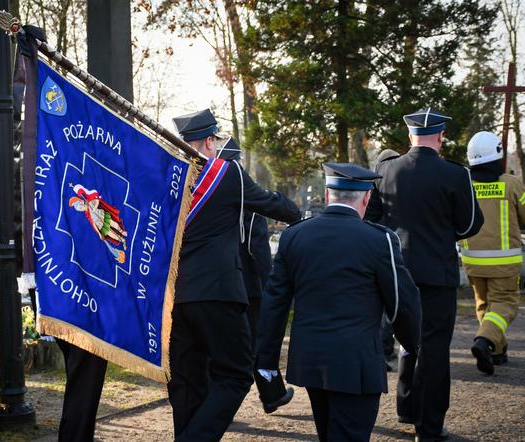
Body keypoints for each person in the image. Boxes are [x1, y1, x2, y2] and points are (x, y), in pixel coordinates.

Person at [256, 163, 421, 442]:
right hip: (356, 363)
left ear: (327, 194)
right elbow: (401, 303)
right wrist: (413, 345)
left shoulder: (294, 235)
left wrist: (266, 365)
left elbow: (274, 305)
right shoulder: (379, 240)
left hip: (311, 360)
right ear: (366, 199)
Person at [168, 109, 301, 441]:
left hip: (173, 297)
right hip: (217, 291)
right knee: (236, 374)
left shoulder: (164, 177)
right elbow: (276, 206)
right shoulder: (227, 174)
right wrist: (292, 209)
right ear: (210, 140)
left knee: (186, 380)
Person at [366, 107, 484, 442]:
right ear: (440, 136)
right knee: (433, 348)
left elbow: (372, 219)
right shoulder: (455, 174)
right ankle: (428, 427)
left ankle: (406, 407)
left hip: (395, 270)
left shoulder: (387, 170)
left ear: (410, 135)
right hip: (436, 272)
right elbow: (469, 224)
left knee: (406, 340)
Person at [216, 137, 295, 414]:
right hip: (249, 281)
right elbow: (255, 246)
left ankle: (267, 393)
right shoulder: (244, 194)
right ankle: (271, 393)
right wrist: (266, 280)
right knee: (259, 340)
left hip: (223, 281)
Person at [460, 131, 525, 375]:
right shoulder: (511, 183)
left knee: (485, 306)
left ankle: (496, 352)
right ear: (497, 155)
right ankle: (484, 342)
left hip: (473, 261)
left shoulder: (465, 184)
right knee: (505, 304)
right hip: (504, 262)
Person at [374, 148, 401, 369]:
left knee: (381, 307)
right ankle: (389, 349)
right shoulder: (403, 185)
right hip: (399, 253)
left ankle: (382, 350)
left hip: (378, 253)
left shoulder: (375, 186)